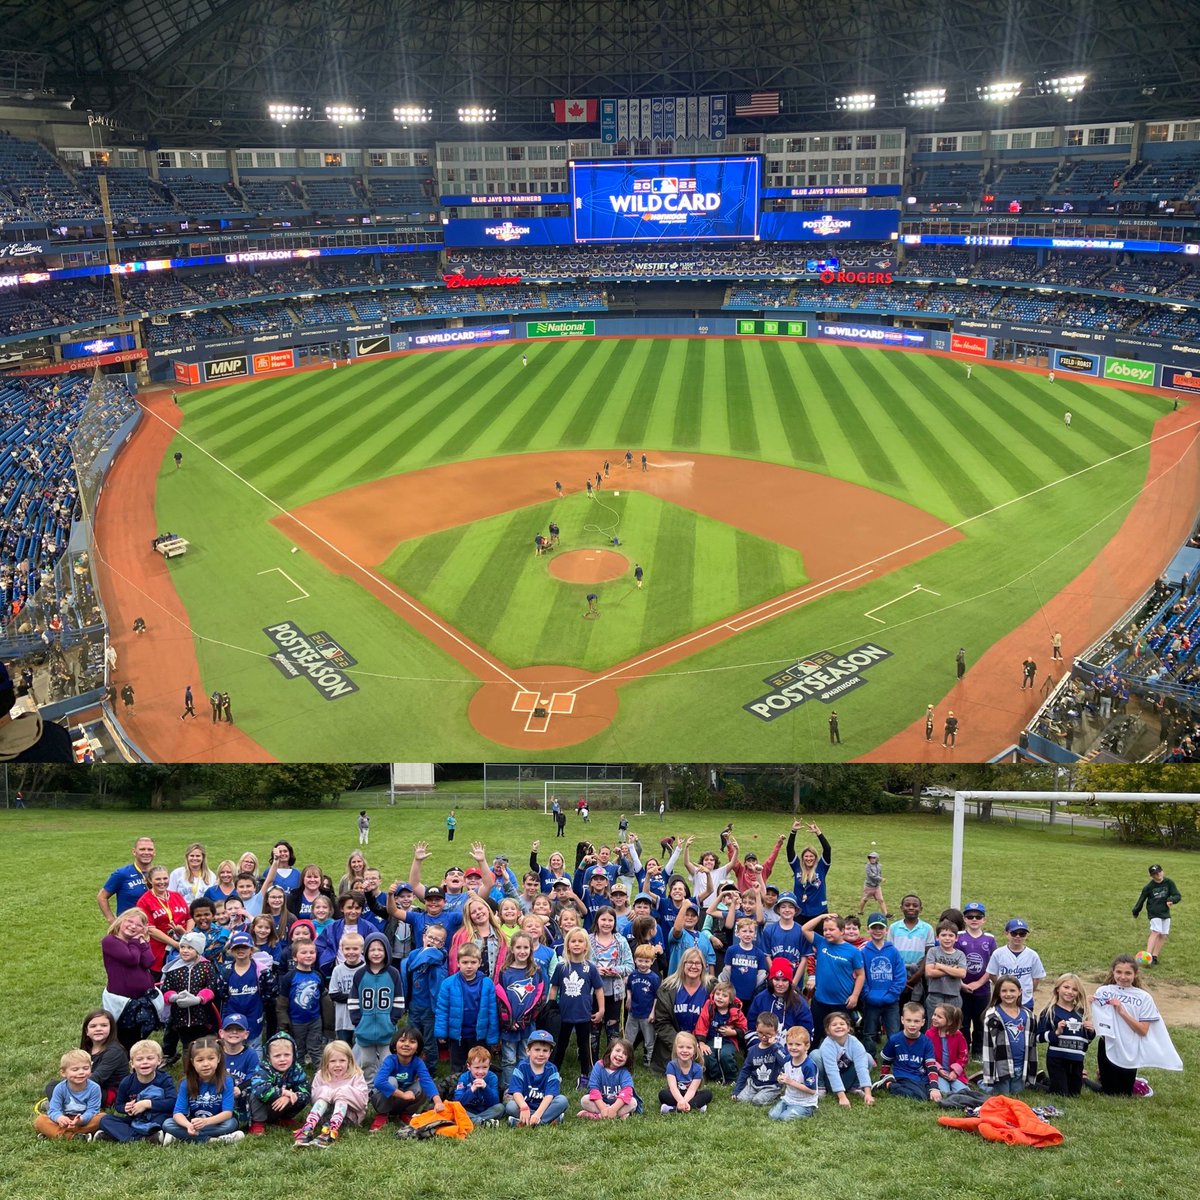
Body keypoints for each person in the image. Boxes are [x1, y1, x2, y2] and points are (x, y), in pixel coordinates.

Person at [1090, 955, 1182, 1095]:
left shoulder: (1144, 997)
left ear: (1135, 974)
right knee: (1110, 1092)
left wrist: (1123, 1012)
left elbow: (1143, 1030)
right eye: (1119, 972)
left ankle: (1126, 1080)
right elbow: (1099, 1022)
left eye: (1128, 973)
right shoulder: (1103, 991)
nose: (1123, 977)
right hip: (1108, 1045)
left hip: (1130, 1048)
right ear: (1113, 972)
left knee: (1125, 1093)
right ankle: (1084, 1079)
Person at [162, 1037, 243, 1145]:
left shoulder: (226, 1081)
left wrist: (206, 1122)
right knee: (167, 1124)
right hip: (194, 1122)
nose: (205, 1064)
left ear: (218, 1059)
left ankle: (181, 1137)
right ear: (192, 1062)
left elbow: (227, 1113)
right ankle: (213, 1140)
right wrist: (188, 1125)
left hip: (216, 1122)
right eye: (200, 1060)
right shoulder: (186, 1083)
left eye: (211, 1058)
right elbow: (178, 1113)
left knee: (231, 1124)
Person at [95, 1039, 176, 1143]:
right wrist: (126, 1108)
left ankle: (117, 1135)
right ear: (132, 1064)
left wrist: (147, 1104)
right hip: (135, 1119)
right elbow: (118, 1105)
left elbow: (172, 1102)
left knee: (166, 1122)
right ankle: (143, 1138)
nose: (145, 1062)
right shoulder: (126, 1082)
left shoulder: (164, 1079)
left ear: (159, 1061)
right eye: (139, 1059)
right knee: (105, 1120)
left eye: (150, 1058)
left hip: (157, 1118)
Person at [293, 1040, 368, 1147]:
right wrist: (328, 1093)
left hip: (349, 1116)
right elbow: (314, 1099)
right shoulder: (321, 1075)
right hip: (324, 1115)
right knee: (324, 1091)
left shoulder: (356, 1075)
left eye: (342, 1060)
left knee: (343, 1093)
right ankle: (308, 1128)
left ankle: (331, 1131)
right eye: (332, 1061)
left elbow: (362, 1102)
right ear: (326, 1062)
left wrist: (341, 1093)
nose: (337, 1065)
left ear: (349, 1061)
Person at [368, 1027, 442, 1132]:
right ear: (395, 1045)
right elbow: (379, 1082)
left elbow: (427, 1081)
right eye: (402, 1040)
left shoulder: (418, 1062)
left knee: (422, 1084)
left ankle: (406, 1114)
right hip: (382, 1100)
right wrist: (403, 1095)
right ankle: (382, 1115)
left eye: (412, 1042)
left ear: (418, 1047)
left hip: (402, 1100)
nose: (406, 1044)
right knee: (391, 1081)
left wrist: (438, 1102)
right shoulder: (390, 1060)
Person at [1036, 974, 1095, 1097]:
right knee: (1060, 1093)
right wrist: (1056, 1032)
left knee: (1074, 1094)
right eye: (1066, 987)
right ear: (1058, 988)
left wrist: (1091, 1031)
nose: (1070, 992)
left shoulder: (1082, 1012)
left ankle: (1045, 1080)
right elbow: (1038, 1037)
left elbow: (1087, 1040)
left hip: (1077, 1060)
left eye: (1074, 989)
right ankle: (1034, 1084)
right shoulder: (1049, 1011)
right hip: (1057, 1059)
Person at [980, 976, 1037, 1095]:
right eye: (1004, 991)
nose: (1008, 994)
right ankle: (982, 1083)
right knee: (1002, 1095)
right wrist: (989, 1073)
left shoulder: (1028, 1015)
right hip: (1001, 1066)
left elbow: (1032, 1044)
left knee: (1016, 1094)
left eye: (1012, 990)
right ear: (998, 993)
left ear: (1020, 992)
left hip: (1020, 1065)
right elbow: (988, 1046)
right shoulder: (993, 1016)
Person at [859, 913, 905, 1056]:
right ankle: (870, 1057)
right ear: (868, 929)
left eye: (881, 928)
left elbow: (900, 976)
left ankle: (893, 1057)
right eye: (874, 928)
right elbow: (860, 976)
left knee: (894, 1032)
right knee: (869, 1032)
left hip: (891, 1001)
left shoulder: (893, 951)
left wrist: (892, 995)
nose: (878, 931)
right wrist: (867, 994)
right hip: (871, 1000)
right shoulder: (863, 952)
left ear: (886, 930)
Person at [247, 1031, 310, 1135]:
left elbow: (306, 1091)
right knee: (255, 1094)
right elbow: (259, 1089)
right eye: (277, 1056)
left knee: (301, 1097)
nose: (282, 1059)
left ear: (294, 1055)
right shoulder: (263, 1068)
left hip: (281, 1106)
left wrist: (289, 1097)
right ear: (269, 1057)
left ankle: (282, 1118)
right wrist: (283, 1092)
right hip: (264, 1106)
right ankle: (257, 1123)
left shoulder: (296, 1069)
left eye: (287, 1055)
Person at [956, 901, 997, 1058]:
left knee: (980, 1021)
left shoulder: (989, 939)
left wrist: (979, 982)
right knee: (963, 1021)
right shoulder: (958, 937)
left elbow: (993, 964)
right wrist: (961, 984)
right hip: (961, 987)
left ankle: (978, 1050)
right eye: (970, 916)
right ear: (964, 919)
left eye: (978, 916)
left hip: (983, 988)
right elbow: (954, 961)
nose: (974, 919)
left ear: (984, 919)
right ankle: (964, 1049)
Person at [35, 1049, 103, 1140]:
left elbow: (93, 1110)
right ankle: (73, 1136)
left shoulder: (94, 1088)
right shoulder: (60, 1088)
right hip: (64, 1121)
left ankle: (56, 1133)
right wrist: (59, 1118)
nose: (81, 1072)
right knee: (40, 1120)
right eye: (75, 1069)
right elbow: (54, 1110)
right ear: (63, 1073)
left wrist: (81, 1120)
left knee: (102, 1118)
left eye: (86, 1068)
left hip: (84, 1121)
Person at [879, 1001, 941, 1102]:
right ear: (902, 1020)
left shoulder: (926, 1042)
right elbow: (886, 1061)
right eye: (908, 1020)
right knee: (920, 1097)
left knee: (928, 1094)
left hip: (920, 1077)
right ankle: (890, 1085)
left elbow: (931, 1067)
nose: (912, 1024)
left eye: (916, 1021)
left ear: (923, 1022)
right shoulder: (894, 1039)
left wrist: (934, 1088)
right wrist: (883, 1077)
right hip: (902, 1076)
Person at [505, 1028, 568, 1127]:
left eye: (545, 1050)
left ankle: (530, 1122)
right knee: (510, 1106)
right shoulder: (521, 1067)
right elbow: (516, 1092)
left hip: (545, 1107)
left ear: (550, 1053)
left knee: (562, 1100)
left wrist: (538, 1114)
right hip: (526, 1107)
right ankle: (549, 1120)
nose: (541, 1054)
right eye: (537, 1050)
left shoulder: (552, 1069)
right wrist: (524, 1107)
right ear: (528, 1051)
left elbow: (549, 1095)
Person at [815, 1011, 875, 1106]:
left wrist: (868, 1094)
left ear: (848, 1028)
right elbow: (832, 1071)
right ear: (828, 1030)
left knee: (867, 1057)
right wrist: (842, 1097)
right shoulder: (827, 1044)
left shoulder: (854, 1042)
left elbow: (862, 1067)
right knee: (815, 1055)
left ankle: (856, 1087)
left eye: (842, 1024)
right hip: (829, 1081)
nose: (838, 1026)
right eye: (834, 1025)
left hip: (847, 1078)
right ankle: (820, 1087)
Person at [985, 917, 1045, 1011]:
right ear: (1006, 933)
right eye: (1014, 933)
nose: (1018, 936)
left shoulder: (1032, 955)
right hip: (1003, 999)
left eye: (1022, 934)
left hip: (1025, 1000)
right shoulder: (998, 953)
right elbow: (992, 974)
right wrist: (1001, 987)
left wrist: (1028, 992)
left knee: (1026, 1019)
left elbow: (1036, 978)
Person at [1133, 863, 1181, 965]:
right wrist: (1136, 911)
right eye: (1155, 873)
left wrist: (1171, 899)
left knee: (1163, 934)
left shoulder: (1169, 883)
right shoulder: (1149, 887)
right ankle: (1147, 956)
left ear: (1162, 871)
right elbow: (1141, 900)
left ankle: (1154, 957)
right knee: (1156, 931)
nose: (1158, 874)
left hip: (1165, 912)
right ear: (1151, 876)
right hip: (1154, 911)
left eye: (1159, 872)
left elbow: (1177, 895)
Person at [579, 1038, 638, 1119]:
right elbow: (594, 1088)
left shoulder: (625, 1071)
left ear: (628, 1059)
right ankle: (617, 1116)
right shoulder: (599, 1066)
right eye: (617, 1051)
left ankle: (598, 1116)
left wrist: (613, 1109)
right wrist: (603, 1108)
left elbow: (627, 1091)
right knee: (585, 1100)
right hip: (600, 1102)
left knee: (633, 1102)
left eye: (625, 1054)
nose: (620, 1055)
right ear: (610, 1051)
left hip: (618, 1104)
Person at [768, 1025, 817, 1121]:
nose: (793, 1047)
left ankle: (808, 1111)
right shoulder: (787, 1060)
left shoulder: (809, 1066)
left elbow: (812, 1091)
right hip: (789, 1099)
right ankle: (789, 1107)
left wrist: (791, 1082)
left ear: (807, 1046)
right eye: (790, 1044)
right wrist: (780, 1079)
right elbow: (783, 1073)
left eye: (798, 1045)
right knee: (772, 1115)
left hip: (804, 1103)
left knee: (784, 1118)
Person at [923, 920, 968, 1022]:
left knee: (952, 1025)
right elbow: (930, 972)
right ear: (937, 937)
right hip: (935, 995)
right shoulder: (933, 951)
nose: (947, 938)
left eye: (951, 935)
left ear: (956, 938)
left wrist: (940, 966)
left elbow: (962, 973)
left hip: (954, 996)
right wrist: (952, 970)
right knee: (934, 1024)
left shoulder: (960, 954)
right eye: (943, 935)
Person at [659, 1030, 710, 1114]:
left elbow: (692, 1090)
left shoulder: (698, 1068)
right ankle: (694, 1107)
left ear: (694, 1050)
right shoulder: (671, 1066)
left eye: (689, 1048)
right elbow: (673, 1087)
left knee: (707, 1094)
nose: (685, 1050)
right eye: (681, 1047)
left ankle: (673, 1109)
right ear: (676, 1049)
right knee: (663, 1094)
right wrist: (680, 1101)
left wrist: (684, 1102)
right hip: (675, 1094)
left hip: (691, 1095)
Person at [453, 1045, 506, 1126]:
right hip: (468, 1110)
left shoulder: (492, 1077)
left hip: (486, 1110)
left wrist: (485, 1088)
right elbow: (458, 1101)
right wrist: (472, 1089)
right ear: (469, 1066)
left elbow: (495, 1102)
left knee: (500, 1108)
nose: (481, 1071)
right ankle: (481, 1121)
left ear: (489, 1066)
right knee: (455, 1109)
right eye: (477, 1067)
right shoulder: (464, 1078)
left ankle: (475, 1121)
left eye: (484, 1067)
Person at [926, 1003, 971, 1095]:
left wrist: (955, 1072)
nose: (934, 1018)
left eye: (939, 1017)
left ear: (949, 1022)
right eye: (934, 1014)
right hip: (937, 1073)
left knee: (964, 1092)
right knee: (944, 1092)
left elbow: (964, 1056)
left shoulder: (958, 1035)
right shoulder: (929, 1034)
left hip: (955, 1074)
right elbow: (928, 1055)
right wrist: (939, 1069)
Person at [859, 850, 885, 916]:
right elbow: (871, 875)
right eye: (871, 858)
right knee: (865, 900)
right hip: (869, 886)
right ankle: (860, 911)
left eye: (874, 858)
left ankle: (886, 914)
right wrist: (881, 879)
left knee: (881, 900)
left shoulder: (879, 865)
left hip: (877, 886)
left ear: (877, 858)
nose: (872, 859)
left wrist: (879, 880)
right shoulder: (868, 866)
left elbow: (880, 873)